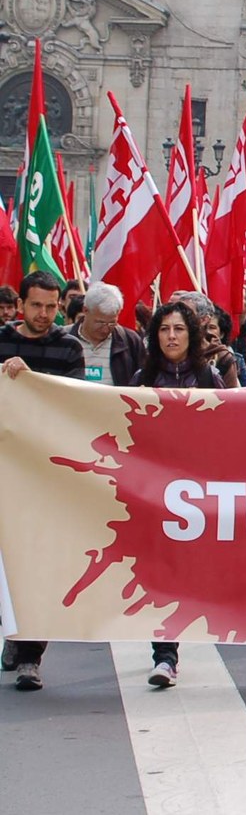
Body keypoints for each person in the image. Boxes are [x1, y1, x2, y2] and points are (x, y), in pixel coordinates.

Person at [134, 301, 227, 689]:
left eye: (179, 330)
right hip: (152, 495)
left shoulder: (210, 378)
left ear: (191, 336)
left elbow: (235, 425)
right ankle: (166, 655)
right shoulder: (142, 377)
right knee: (162, 575)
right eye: (164, 330)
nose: (171, 336)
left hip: (196, 495)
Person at [0, 271, 84, 692]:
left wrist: (31, 378)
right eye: (36, 306)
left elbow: (71, 400)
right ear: (21, 305)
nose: (44, 314)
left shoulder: (68, 347)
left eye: (52, 307)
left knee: (40, 564)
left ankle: (31, 656)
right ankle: (14, 634)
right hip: (5, 470)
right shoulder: (1, 340)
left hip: (47, 474)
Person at [69, 282, 145, 386]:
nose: (105, 329)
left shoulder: (130, 341)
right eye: (100, 322)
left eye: (111, 323)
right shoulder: (64, 339)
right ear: (85, 310)